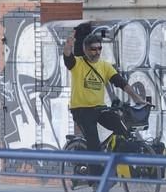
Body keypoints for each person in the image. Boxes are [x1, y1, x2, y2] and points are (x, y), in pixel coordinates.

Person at [63, 31, 147, 181]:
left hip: (99, 108)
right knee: (93, 143)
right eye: (93, 49)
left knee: (122, 130)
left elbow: (122, 83)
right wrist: (67, 48)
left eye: (99, 48)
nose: (97, 52)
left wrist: (138, 99)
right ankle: (95, 179)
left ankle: (113, 164)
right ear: (85, 50)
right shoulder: (78, 63)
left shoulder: (105, 66)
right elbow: (68, 59)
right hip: (81, 110)